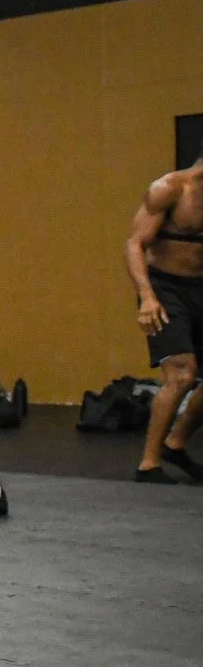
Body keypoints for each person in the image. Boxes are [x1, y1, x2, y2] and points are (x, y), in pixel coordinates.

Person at [127, 157, 203, 483]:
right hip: (165, 288)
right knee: (182, 373)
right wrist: (147, 296)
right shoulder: (169, 189)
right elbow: (135, 244)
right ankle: (149, 463)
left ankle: (176, 443)